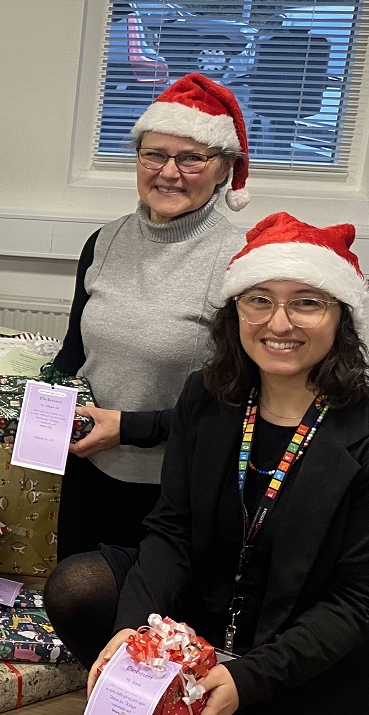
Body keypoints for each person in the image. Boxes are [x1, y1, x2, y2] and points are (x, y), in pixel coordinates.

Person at [44, 213, 369, 715]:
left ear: (341, 317)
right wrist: (132, 626)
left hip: (298, 655)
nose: (279, 323)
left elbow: (357, 605)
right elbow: (171, 529)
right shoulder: (208, 399)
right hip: (209, 611)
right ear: (235, 311)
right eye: (259, 300)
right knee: (78, 585)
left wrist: (246, 681)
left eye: (306, 302)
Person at [53, 73, 249, 560]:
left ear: (224, 169)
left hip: (176, 484)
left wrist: (131, 429)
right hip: (89, 466)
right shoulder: (105, 241)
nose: (169, 172)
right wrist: (40, 409)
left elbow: (238, 398)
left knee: (149, 603)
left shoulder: (241, 262)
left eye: (191, 158)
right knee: (74, 590)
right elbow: (75, 351)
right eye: (154, 154)